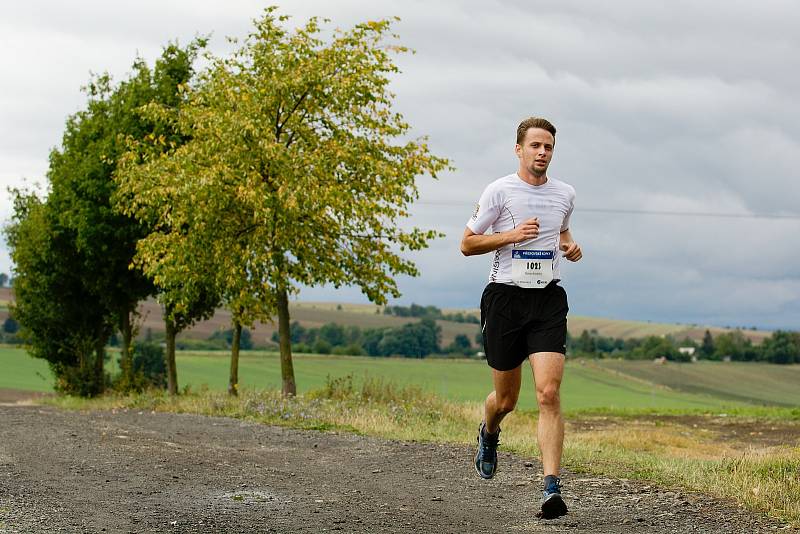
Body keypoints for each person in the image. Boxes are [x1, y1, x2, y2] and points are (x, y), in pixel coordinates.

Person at [460, 116, 582, 519]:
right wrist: (511, 236)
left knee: (548, 393)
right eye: (535, 146)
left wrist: (569, 245)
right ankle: (489, 432)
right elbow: (467, 243)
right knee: (507, 400)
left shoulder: (565, 194)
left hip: (547, 299)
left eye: (548, 147)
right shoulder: (499, 191)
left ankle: (551, 488)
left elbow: (561, 231)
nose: (542, 153)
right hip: (505, 300)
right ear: (519, 149)